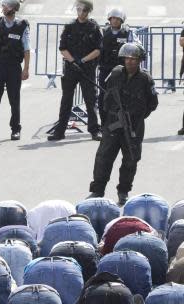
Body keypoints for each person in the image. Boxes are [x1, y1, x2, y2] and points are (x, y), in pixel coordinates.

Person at [88, 43, 157, 205]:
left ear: (139, 61)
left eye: (133, 59)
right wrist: (110, 118)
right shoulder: (116, 73)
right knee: (103, 158)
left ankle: (123, 191)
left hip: (133, 127)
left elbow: (152, 103)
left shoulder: (145, 79)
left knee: (130, 160)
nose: (130, 62)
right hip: (112, 125)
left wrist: (136, 117)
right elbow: (105, 99)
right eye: (127, 58)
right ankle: (97, 190)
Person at [47, 0, 103, 141]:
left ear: (88, 11)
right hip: (71, 69)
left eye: (84, 10)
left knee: (90, 101)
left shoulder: (94, 28)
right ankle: (60, 132)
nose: (81, 13)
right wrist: (72, 61)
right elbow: (62, 48)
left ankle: (94, 130)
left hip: (87, 69)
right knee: (66, 101)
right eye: (79, 9)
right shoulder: (70, 27)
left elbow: (98, 50)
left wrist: (83, 61)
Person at [0, 0, 30, 141]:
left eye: (5, 6)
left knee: (14, 100)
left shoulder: (22, 26)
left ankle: (15, 129)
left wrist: (26, 69)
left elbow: (27, 49)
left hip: (14, 67)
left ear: (13, 8)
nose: (3, 8)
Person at [98, 8, 133, 126]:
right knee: (103, 95)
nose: (115, 21)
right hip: (105, 68)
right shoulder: (103, 31)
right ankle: (104, 122)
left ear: (121, 20)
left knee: (121, 95)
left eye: (117, 19)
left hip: (121, 69)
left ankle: (122, 121)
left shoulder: (127, 32)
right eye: (113, 18)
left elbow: (136, 46)